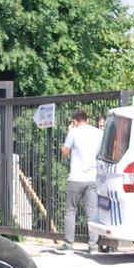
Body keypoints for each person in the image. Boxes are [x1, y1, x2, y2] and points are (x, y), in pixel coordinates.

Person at [57, 108, 102, 254]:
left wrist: (69, 132)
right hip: (92, 177)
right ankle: (93, 246)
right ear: (87, 120)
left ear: (75, 121)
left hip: (76, 178)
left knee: (71, 211)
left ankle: (68, 245)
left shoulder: (73, 132)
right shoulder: (98, 133)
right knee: (92, 212)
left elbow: (64, 152)